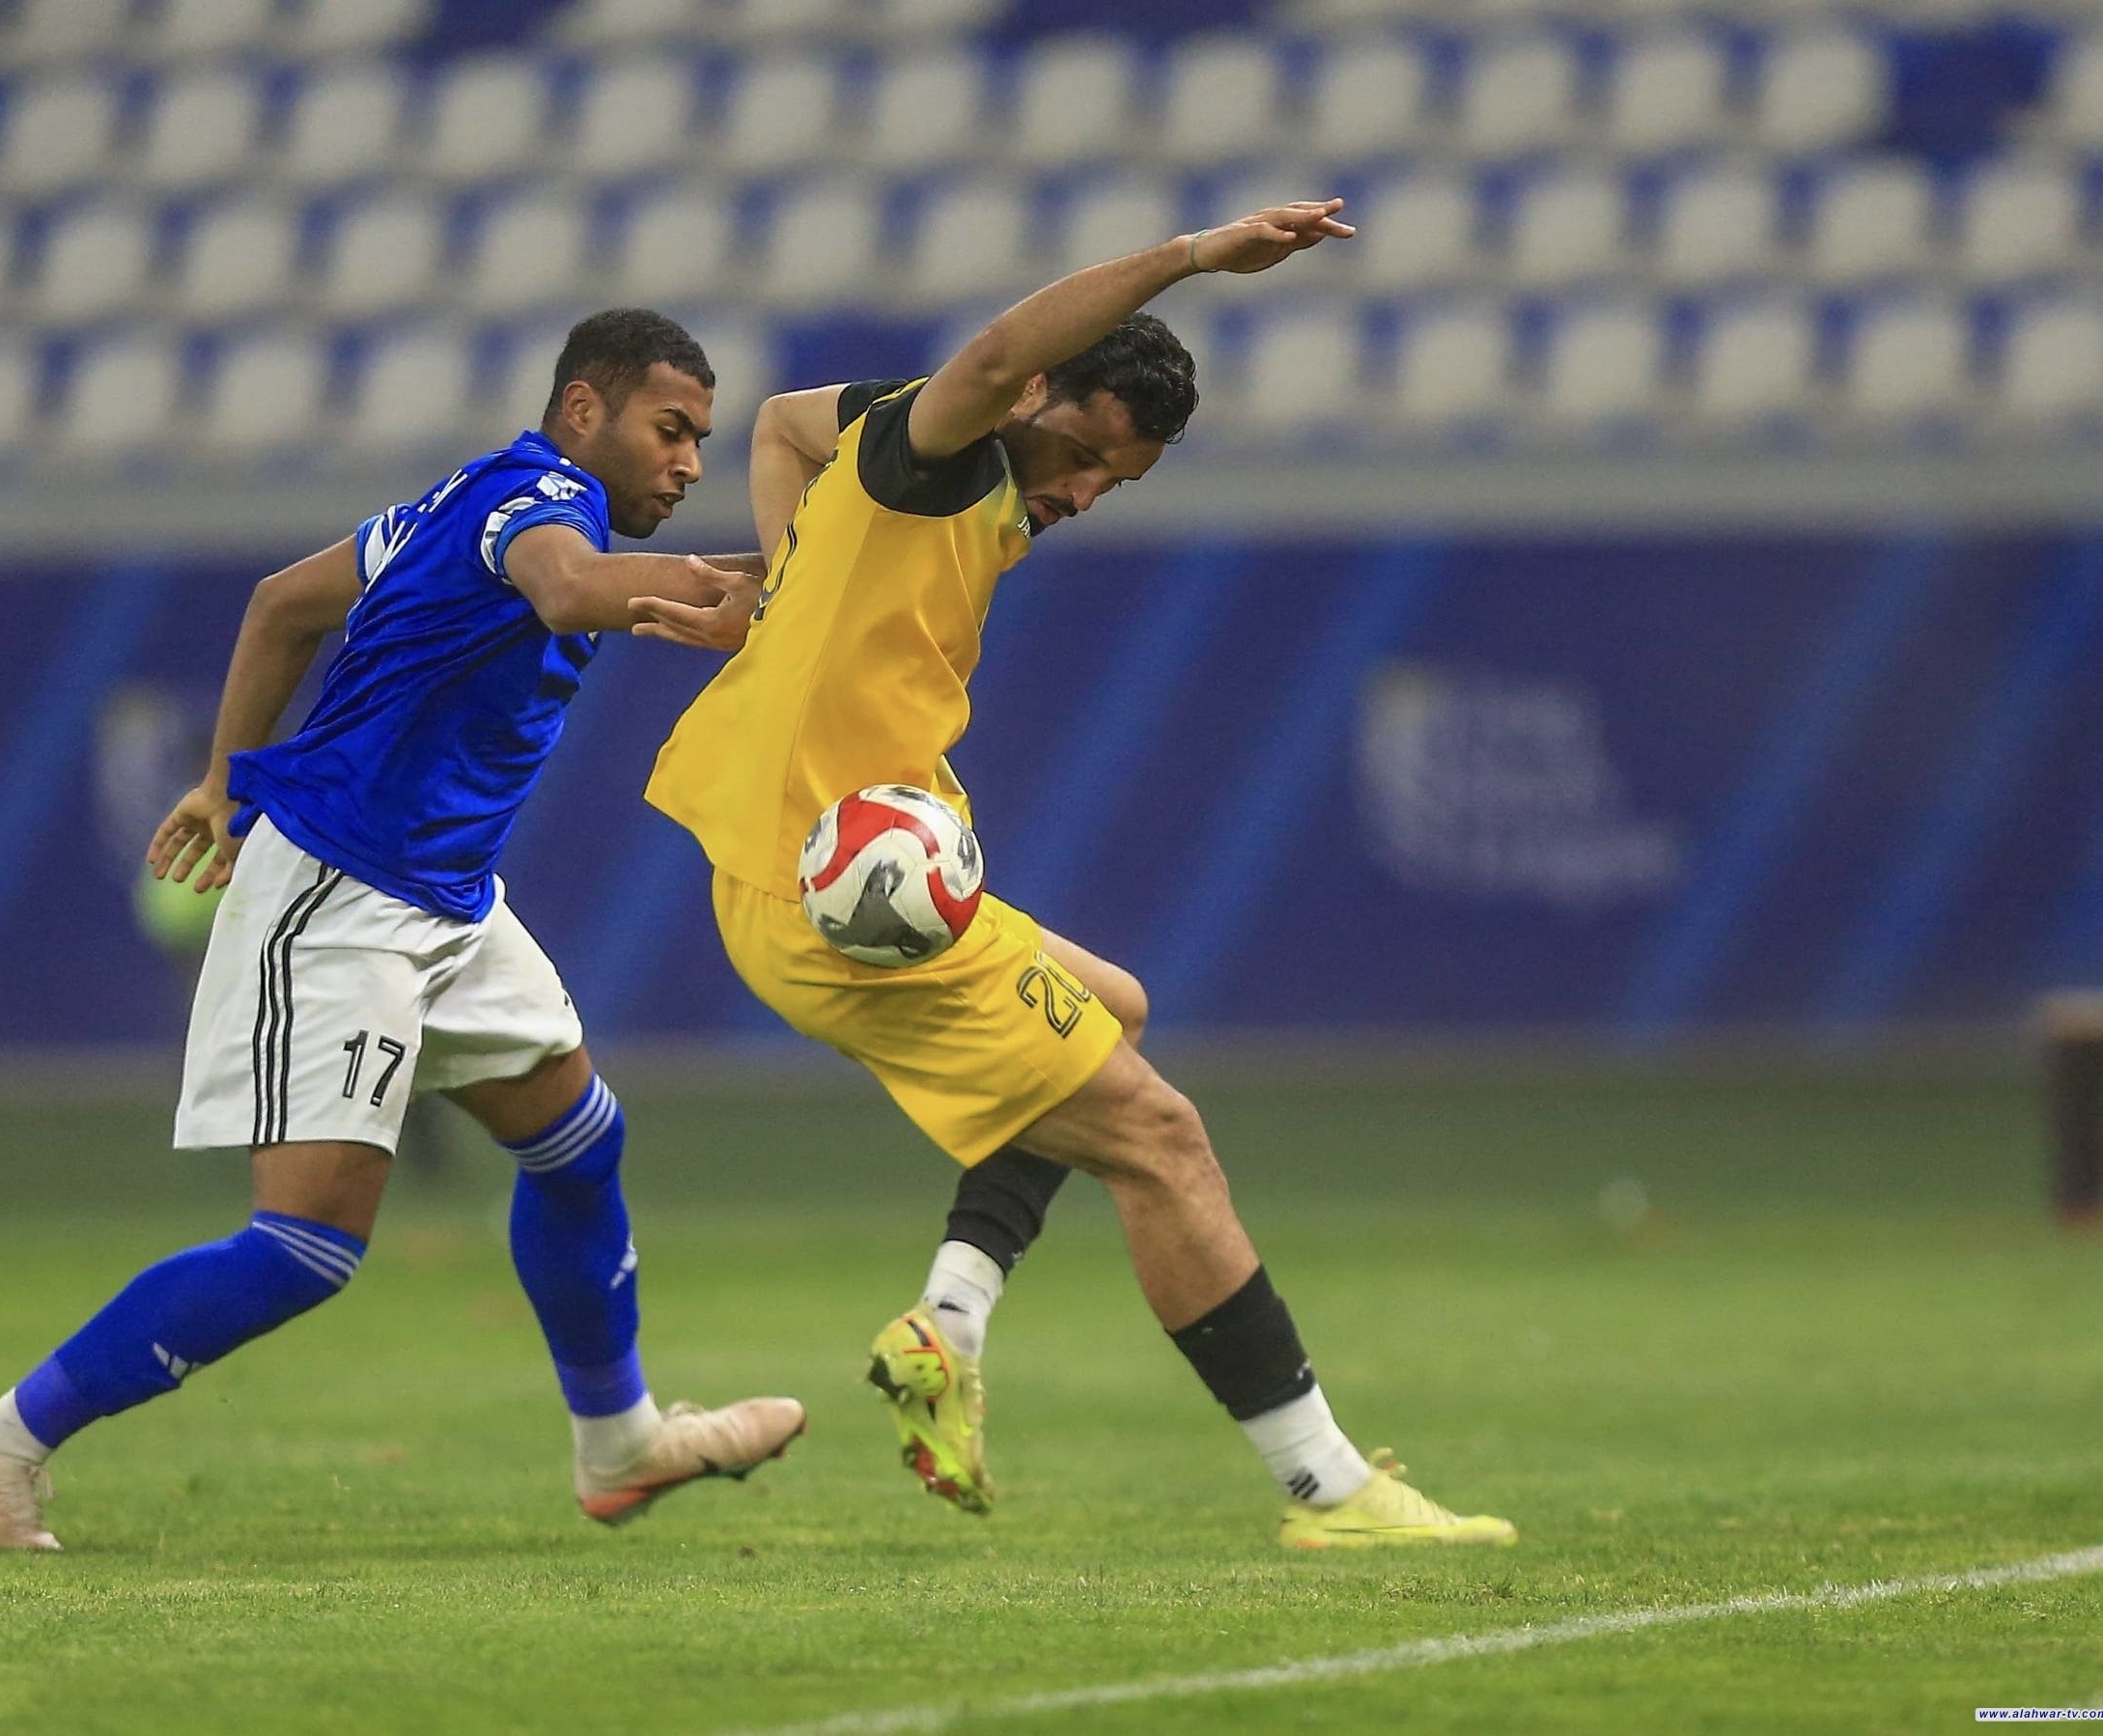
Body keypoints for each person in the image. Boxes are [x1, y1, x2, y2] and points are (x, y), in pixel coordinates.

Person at [637, 205, 1516, 1550]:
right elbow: (988, 359)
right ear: (1039, 396)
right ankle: (1328, 1488)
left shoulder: (929, 457)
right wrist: (1188, 256)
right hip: (842, 898)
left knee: (1112, 1002)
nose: (1088, 492)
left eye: (1123, 481)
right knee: (1162, 1142)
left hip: (804, 868)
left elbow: (775, 425)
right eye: (1085, 453)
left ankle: (947, 1324)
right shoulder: (934, 450)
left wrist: (777, 585)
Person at [0, 310, 803, 1552]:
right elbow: (564, 590)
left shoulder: (463, 503)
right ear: (586, 411)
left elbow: (285, 604)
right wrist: (738, 588)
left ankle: (621, 1442)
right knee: (306, 1247)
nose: (691, 463)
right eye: (672, 431)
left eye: (702, 440)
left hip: (447, 896)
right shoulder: (538, 497)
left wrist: (225, 778)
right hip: (338, 895)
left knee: (579, 1139)